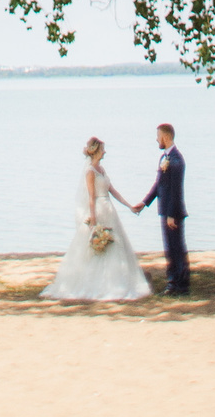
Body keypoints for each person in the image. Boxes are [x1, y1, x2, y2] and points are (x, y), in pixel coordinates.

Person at [40, 135, 153, 301]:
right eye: (102, 149)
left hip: (109, 210)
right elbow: (91, 197)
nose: (105, 152)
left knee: (116, 245)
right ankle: (97, 283)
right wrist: (93, 220)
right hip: (99, 210)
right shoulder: (90, 172)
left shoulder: (102, 169)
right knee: (101, 247)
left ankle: (117, 281)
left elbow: (112, 191)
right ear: (96, 151)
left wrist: (129, 206)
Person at [132, 123, 190, 295]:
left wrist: (171, 214)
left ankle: (179, 285)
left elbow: (176, 190)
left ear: (165, 136)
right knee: (170, 248)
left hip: (173, 213)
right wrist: (144, 203)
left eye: (158, 136)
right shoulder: (164, 158)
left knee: (176, 249)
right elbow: (160, 185)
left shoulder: (176, 160)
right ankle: (173, 283)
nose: (156, 139)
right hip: (165, 212)